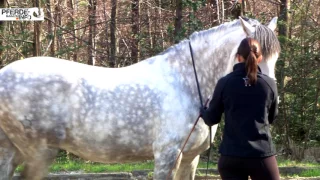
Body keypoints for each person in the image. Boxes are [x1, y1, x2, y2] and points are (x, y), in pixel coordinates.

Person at [200, 37, 280, 180]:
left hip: (231, 157)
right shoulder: (269, 84)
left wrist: (203, 111)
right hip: (261, 155)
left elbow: (212, 119)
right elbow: (272, 117)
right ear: (260, 58)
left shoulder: (225, 83)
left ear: (238, 57)